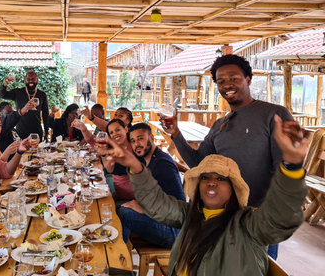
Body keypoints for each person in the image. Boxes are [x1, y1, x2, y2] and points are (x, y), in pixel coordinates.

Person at [101, 115, 308, 276]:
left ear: (234, 188)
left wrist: (291, 168)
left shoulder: (247, 225)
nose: (211, 182)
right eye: (205, 177)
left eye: (221, 179)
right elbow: (156, 202)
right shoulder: (190, 215)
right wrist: (136, 167)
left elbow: (280, 219)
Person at [162, 55, 294, 259]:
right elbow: (199, 163)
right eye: (220, 81)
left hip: (257, 219)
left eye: (234, 78)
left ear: (248, 79)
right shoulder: (219, 125)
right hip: (221, 217)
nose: (227, 85)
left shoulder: (274, 114)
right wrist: (176, 134)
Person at [117, 123, 185, 247]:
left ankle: (119, 260)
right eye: (133, 141)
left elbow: (179, 208)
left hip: (172, 231)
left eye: (140, 138)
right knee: (113, 205)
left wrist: (145, 208)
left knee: (124, 213)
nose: (136, 144)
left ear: (152, 138)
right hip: (157, 219)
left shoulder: (163, 165)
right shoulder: (145, 159)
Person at [0, 71, 49, 142]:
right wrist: (5, 85)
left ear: (37, 80)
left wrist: (46, 132)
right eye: (29, 79)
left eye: (33, 79)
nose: (31, 81)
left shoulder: (42, 95)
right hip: (21, 131)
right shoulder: (18, 92)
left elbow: (45, 114)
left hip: (36, 131)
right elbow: (1, 95)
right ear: (25, 80)